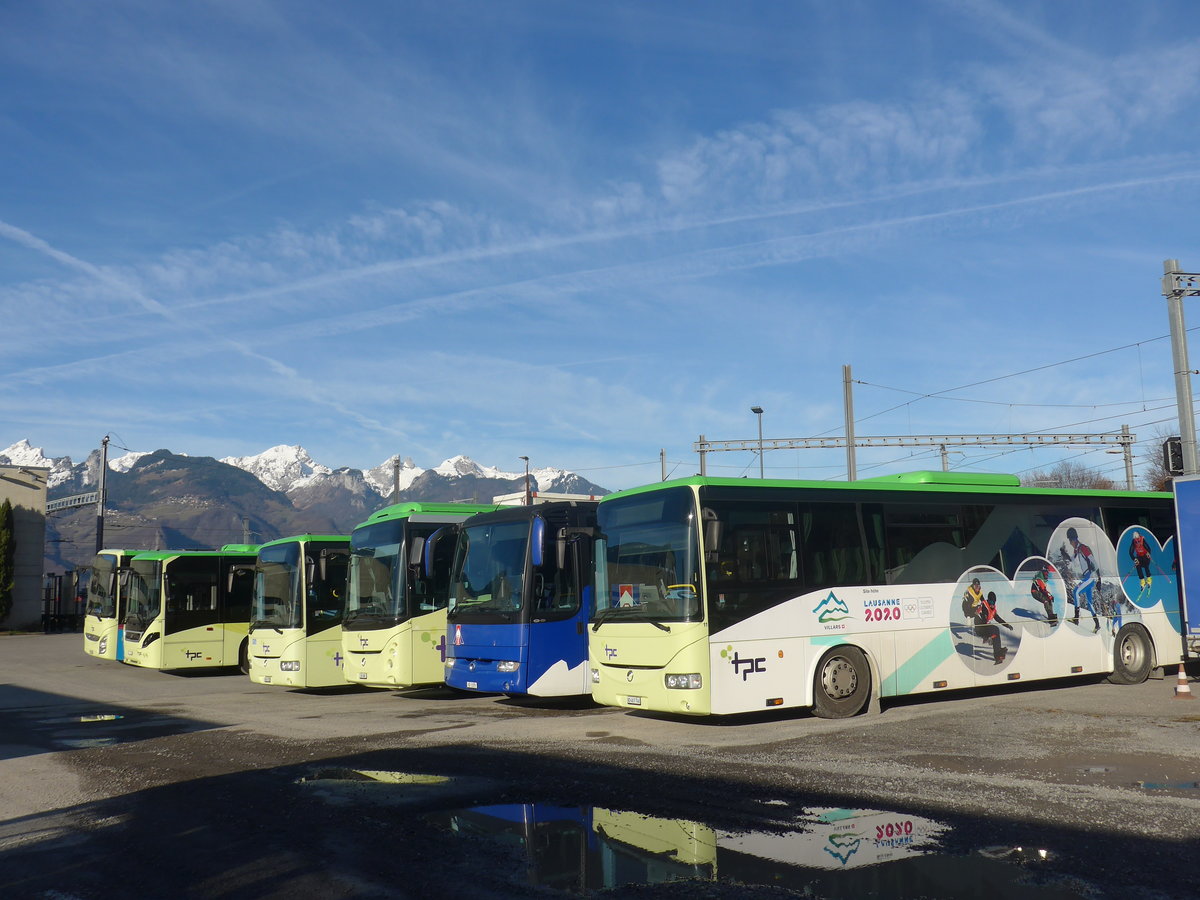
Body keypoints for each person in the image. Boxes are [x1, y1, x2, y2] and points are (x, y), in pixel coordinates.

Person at [1064, 527, 1101, 633]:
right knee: (1090, 603)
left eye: (1070, 541)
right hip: (1087, 577)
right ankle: (1097, 624)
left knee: (1075, 591)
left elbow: (1094, 562)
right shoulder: (1077, 549)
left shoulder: (1083, 548)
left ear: (1073, 539)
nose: (1070, 543)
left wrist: (1099, 580)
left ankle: (1076, 619)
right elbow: (1072, 559)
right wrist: (1064, 554)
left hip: (1090, 576)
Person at [966, 588, 1014, 664]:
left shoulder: (993, 609)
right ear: (988, 600)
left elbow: (998, 619)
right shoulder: (984, 606)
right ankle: (997, 653)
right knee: (994, 629)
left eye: (994, 602)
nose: (992, 604)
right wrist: (987, 637)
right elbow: (980, 596)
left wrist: (1007, 625)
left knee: (996, 631)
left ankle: (998, 651)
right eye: (991, 601)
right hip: (980, 628)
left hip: (986, 628)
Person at [1128, 531, 1153, 599]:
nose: (1137, 541)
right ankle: (1142, 581)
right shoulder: (1133, 542)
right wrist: (1134, 559)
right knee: (1138, 565)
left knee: (1146, 565)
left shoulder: (1142, 540)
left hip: (1145, 556)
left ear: (1139, 537)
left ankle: (1149, 579)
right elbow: (1130, 552)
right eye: (1136, 540)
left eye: (1138, 539)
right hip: (1139, 557)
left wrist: (1148, 553)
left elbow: (1148, 548)